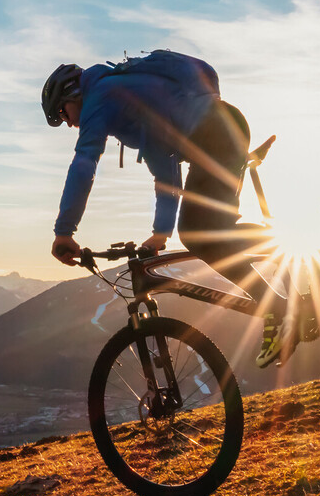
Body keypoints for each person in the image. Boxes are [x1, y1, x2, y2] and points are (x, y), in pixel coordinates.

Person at [42, 50, 293, 367]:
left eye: (62, 114)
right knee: (212, 233)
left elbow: (83, 164)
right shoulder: (127, 97)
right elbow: (165, 168)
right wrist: (160, 233)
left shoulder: (101, 97)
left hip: (215, 136)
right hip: (222, 129)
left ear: (71, 94)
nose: (68, 123)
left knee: (200, 235)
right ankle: (285, 290)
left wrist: (64, 232)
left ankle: (280, 302)